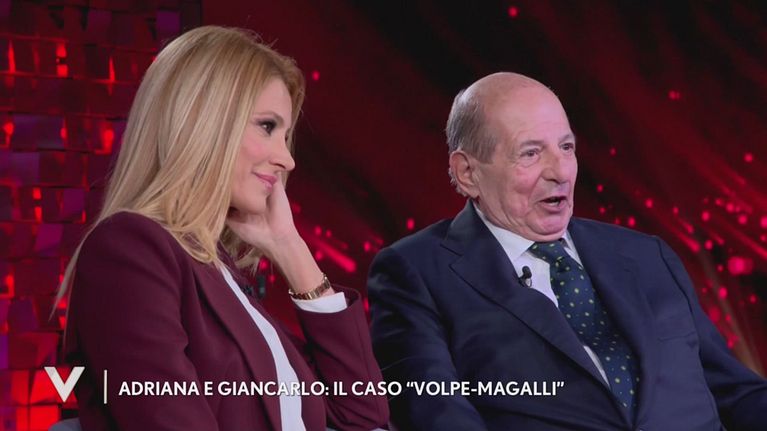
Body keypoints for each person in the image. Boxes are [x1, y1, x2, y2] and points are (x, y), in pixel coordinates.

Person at [367, 72, 767, 430]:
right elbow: (436, 414)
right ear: (467, 172)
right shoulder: (416, 274)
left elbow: (735, 391)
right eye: (530, 153)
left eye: (566, 147)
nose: (560, 172)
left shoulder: (648, 255)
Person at [61, 26, 388, 431]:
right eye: (267, 127)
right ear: (203, 122)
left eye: (286, 135)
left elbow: (362, 412)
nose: (287, 159)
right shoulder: (129, 250)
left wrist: (290, 248)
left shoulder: (222, 272)